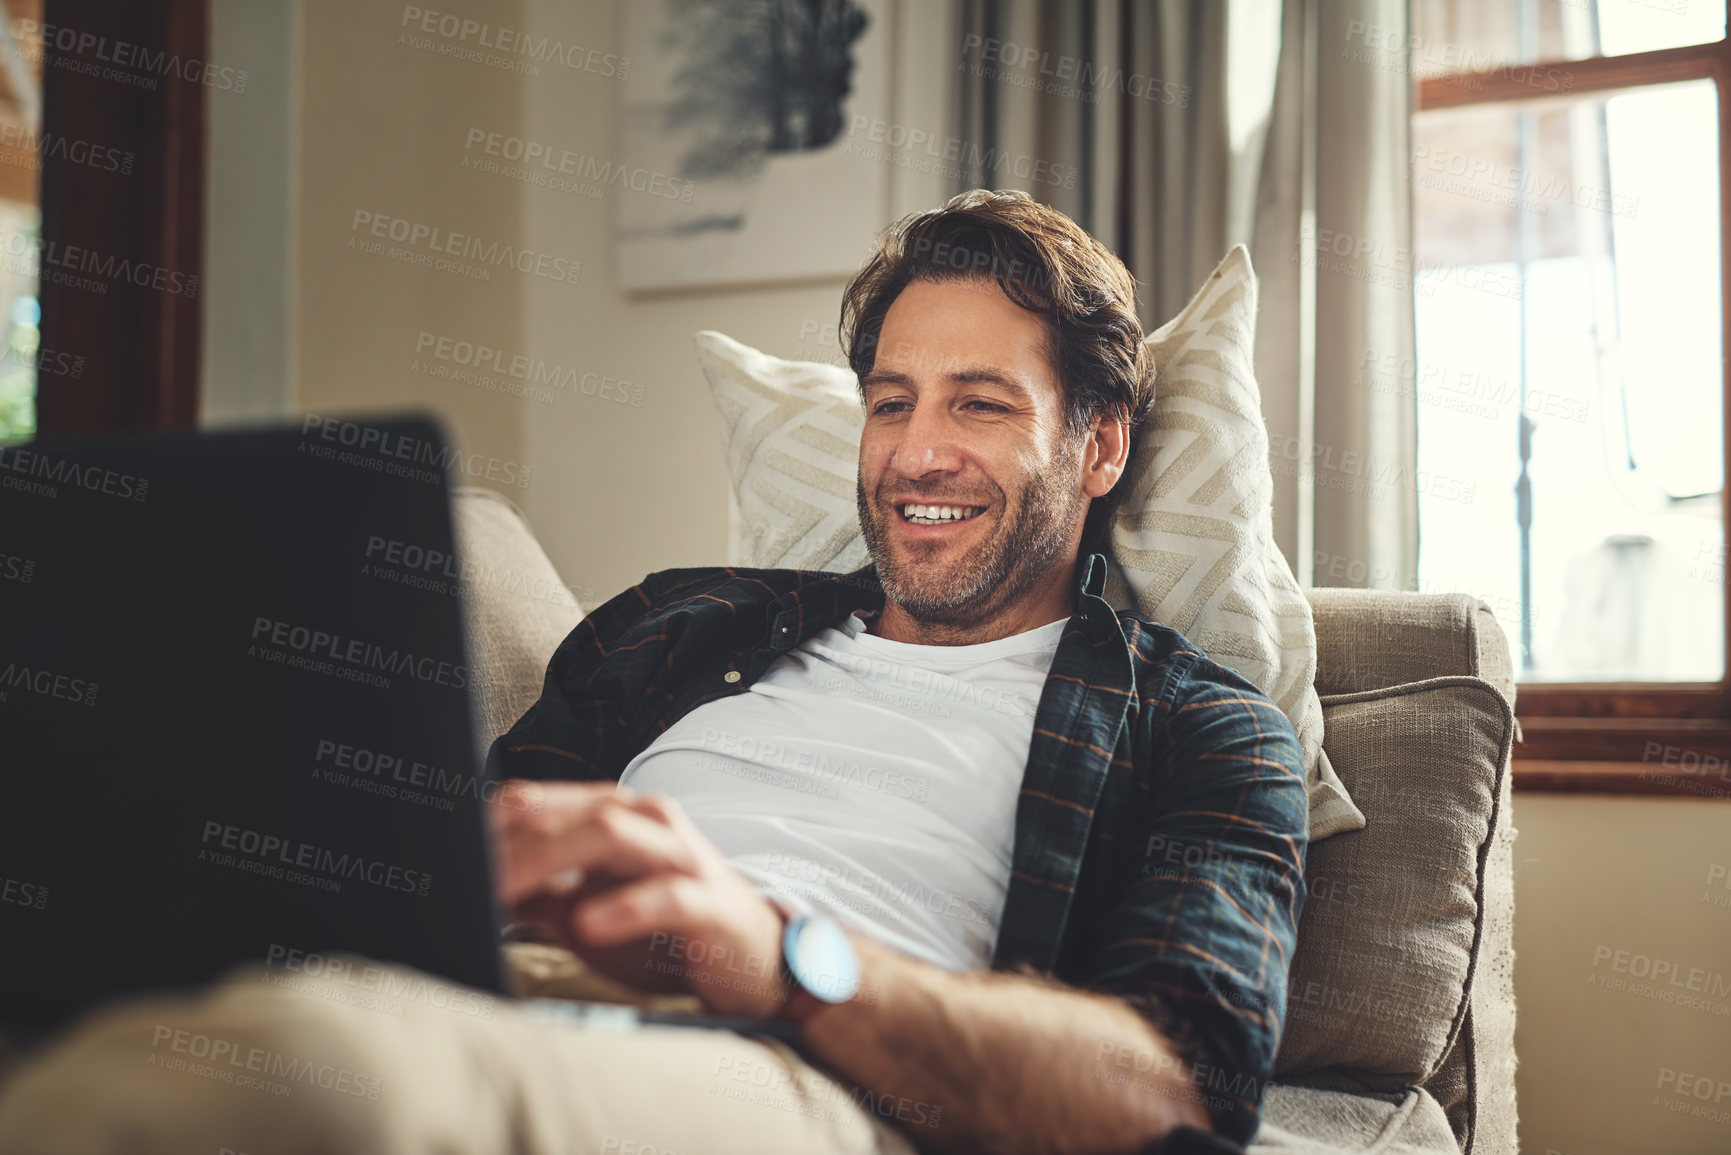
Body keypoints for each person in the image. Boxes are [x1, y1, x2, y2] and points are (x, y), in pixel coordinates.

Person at [0, 190, 1306, 1155]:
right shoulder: (677, 624)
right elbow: (455, 861)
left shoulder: (1197, 726)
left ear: (1099, 448)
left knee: (317, 1083)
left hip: (809, 1076)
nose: (915, 455)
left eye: (980, 402)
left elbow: (1179, 1094)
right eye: (892, 400)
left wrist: (781, 957)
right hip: (506, 993)